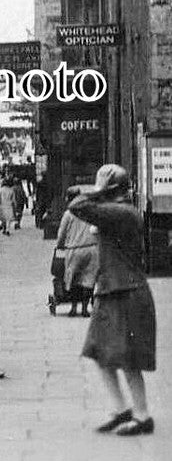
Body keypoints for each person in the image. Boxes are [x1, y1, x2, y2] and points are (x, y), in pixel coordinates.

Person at [69, 164, 156, 436]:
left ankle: (142, 416)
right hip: (112, 290)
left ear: (110, 189)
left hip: (127, 292)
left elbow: (77, 205)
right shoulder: (118, 212)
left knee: (128, 359)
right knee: (100, 353)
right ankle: (121, 410)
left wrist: (96, 191)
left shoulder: (121, 213)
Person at [55, 186, 98, 317]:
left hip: (74, 250)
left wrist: (59, 245)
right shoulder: (90, 211)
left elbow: (61, 233)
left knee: (73, 280)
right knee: (89, 280)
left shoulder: (68, 214)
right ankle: (85, 309)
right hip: (91, 249)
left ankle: (74, 308)